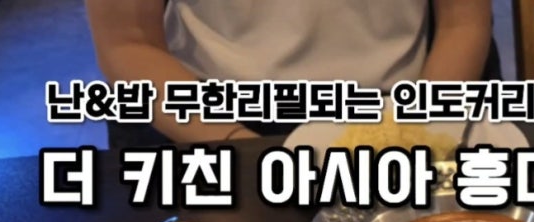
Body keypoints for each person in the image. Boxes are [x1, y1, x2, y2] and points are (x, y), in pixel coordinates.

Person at [85, 0, 500, 147]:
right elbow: (128, 44)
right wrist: (246, 154)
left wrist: (415, 132)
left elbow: (462, 22)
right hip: (215, 120)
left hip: (403, 106)